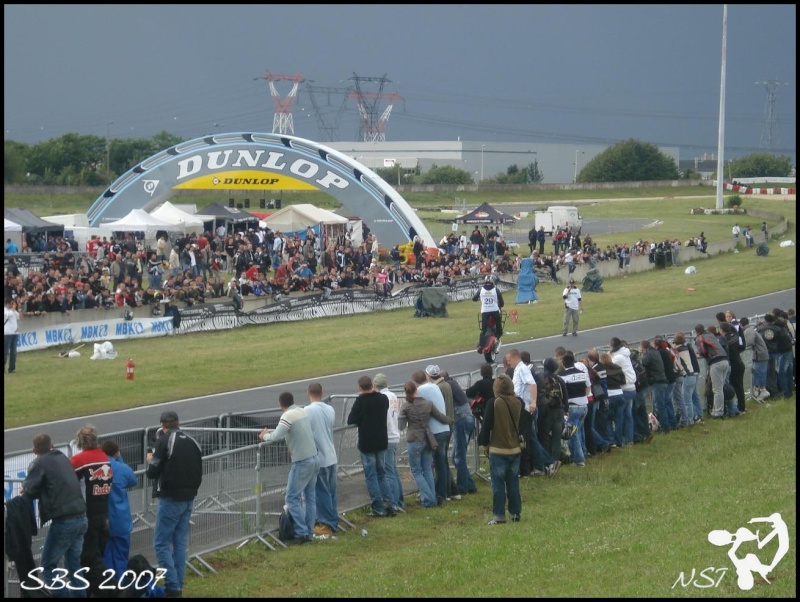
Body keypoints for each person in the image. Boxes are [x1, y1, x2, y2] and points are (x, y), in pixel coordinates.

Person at [21, 433, 88, 597]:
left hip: (65, 521)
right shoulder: (63, 458)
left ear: (34, 450)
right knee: (73, 566)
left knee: (47, 566)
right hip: (81, 516)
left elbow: (28, 489)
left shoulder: (39, 463)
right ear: (52, 445)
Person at [147, 410, 204, 596]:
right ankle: (178, 583)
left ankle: (173, 586)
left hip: (171, 498)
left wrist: (150, 460)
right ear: (178, 423)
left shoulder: (163, 441)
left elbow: (152, 472)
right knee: (179, 543)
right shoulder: (193, 441)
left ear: (163, 426)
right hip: (189, 497)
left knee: (161, 543)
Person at [260, 393, 319, 544]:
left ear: (281, 405)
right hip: (314, 457)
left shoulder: (287, 416)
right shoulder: (302, 411)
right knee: (310, 497)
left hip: (302, 461)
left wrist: (265, 435)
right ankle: (309, 532)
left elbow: (275, 437)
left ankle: (301, 533)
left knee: (291, 498)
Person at [69, 424, 112, 598]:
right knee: (97, 555)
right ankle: (94, 591)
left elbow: (68, 482)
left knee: (87, 559)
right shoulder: (104, 457)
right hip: (104, 513)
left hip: (87, 514)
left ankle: (107, 591)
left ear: (79, 442)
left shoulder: (78, 460)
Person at [346, 375, 397, 517]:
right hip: (381, 441)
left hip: (367, 443)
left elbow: (351, 420)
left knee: (371, 476)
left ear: (360, 387)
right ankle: (390, 504)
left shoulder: (360, 401)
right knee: (382, 474)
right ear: (372, 385)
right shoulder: (383, 398)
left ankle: (378, 507)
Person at [478, 374, 523, 524]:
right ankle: (515, 513)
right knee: (513, 484)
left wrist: (484, 443)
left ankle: (499, 515)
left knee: (498, 485)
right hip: (515, 448)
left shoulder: (494, 403)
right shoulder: (518, 402)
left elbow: (487, 426)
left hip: (498, 449)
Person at [398, 380, 451, 508]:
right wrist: (451, 421)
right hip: (427, 439)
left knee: (416, 471)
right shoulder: (428, 403)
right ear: (417, 390)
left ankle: (429, 498)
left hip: (414, 439)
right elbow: (440, 417)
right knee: (427, 468)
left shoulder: (406, 406)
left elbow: (401, 426)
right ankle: (431, 497)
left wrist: (402, 415)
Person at [304, 382, 339, 538]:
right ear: (322, 392)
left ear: (308, 393)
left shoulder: (307, 411)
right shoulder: (329, 409)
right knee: (331, 492)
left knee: (322, 492)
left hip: (321, 457)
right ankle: (332, 521)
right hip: (331, 455)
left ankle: (327, 524)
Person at [101, 439, 138, 582]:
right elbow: (133, 480)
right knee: (121, 557)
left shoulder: (97, 467)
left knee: (104, 557)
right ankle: (120, 587)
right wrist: (119, 458)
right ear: (116, 453)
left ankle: (107, 587)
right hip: (121, 519)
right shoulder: (121, 469)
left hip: (102, 520)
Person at [412, 369, 451, 506]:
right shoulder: (435, 386)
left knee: (428, 465)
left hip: (434, 432)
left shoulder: (421, 390)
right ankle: (442, 493)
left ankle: (433, 494)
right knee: (440, 464)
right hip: (444, 429)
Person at [440, 369, 478, 496]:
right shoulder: (453, 384)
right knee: (455, 457)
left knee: (458, 457)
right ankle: (470, 484)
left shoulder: (447, 386)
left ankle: (463, 487)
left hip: (462, 420)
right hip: (466, 418)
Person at [373, 373, 405, 512]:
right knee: (392, 469)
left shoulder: (382, 397)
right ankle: (398, 500)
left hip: (388, 436)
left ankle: (394, 502)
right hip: (394, 433)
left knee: (388, 471)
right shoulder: (392, 395)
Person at [558, 352, 591, 466]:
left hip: (572, 406)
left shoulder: (563, 375)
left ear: (563, 363)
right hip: (584, 405)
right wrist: (584, 396)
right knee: (580, 430)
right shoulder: (582, 373)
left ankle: (579, 459)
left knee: (572, 433)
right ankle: (583, 452)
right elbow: (588, 386)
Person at [694, 324, 730, 419]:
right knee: (721, 387)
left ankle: (718, 412)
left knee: (717, 389)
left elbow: (702, 351)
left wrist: (702, 354)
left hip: (716, 362)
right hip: (725, 360)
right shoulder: (711, 334)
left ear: (697, 332)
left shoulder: (700, 337)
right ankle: (721, 409)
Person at [741, 316, 770, 402]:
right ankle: (759, 390)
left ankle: (762, 390)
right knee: (758, 372)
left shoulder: (748, 331)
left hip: (760, 355)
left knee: (759, 372)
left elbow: (749, 342)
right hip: (760, 354)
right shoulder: (750, 330)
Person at [473, 275, 504, 352]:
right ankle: (497, 338)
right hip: (495, 311)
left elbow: (474, 298)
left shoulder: (481, 289)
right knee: (499, 329)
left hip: (485, 312)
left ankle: (481, 345)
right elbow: (502, 303)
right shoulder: (496, 290)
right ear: (493, 282)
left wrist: (479, 299)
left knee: (483, 330)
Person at [4, 297, 21, 374]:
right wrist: (13, 309)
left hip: (14, 333)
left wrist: (19, 309)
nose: (12, 305)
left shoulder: (14, 311)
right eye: (11, 303)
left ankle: (12, 368)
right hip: (7, 334)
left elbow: (19, 317)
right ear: (7, 303)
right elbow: (7, 316)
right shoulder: (5, 310)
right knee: (5, 352)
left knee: (13, 352)